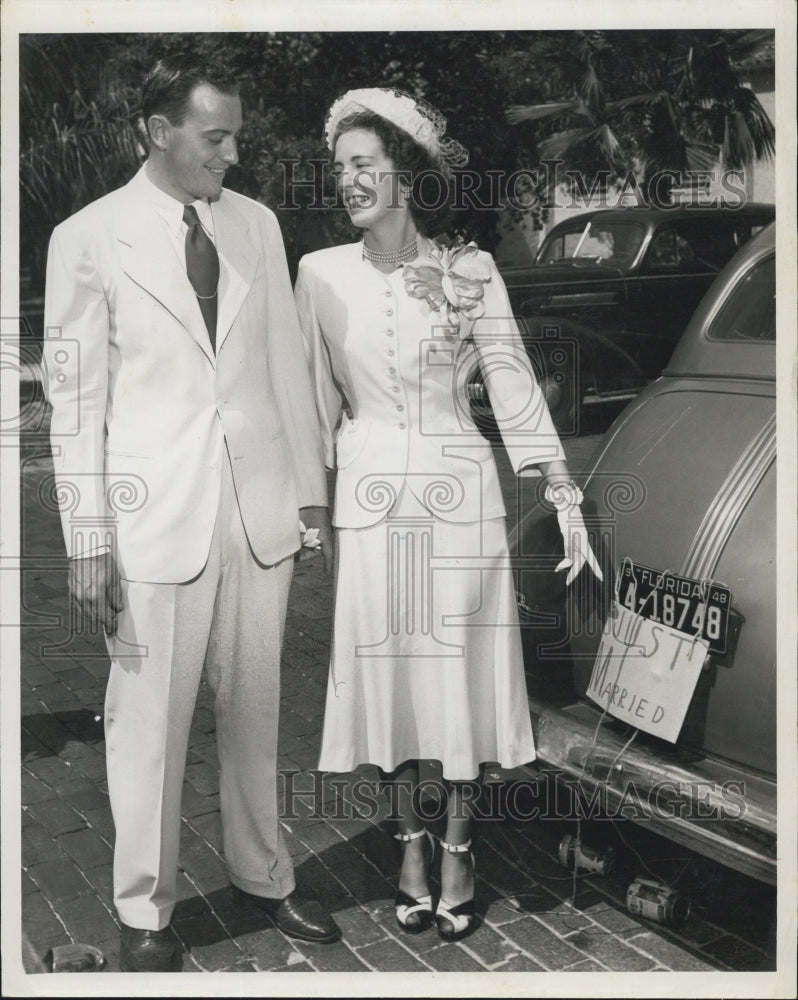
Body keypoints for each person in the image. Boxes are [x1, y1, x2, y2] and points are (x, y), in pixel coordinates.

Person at [43, 54, 340, 972]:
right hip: (148, 521)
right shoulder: (87, 237)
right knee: (147, 720)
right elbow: (75, 405)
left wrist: (309, 496)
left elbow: (287, 366)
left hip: (256, 513)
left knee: (256, 708)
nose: (233, 154)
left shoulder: (256, 225)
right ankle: (144, 910)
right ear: (156, 132)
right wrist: (89, 541)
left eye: (237, 136)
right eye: (217, 137)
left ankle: (265, 877)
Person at [294, 88, 602, 942]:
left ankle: (462, 845)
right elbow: (313, 404)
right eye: (340, 167)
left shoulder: (470, 271)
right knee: (391, 679)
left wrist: (561, 491)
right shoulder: (318, 274)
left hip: (459, 490)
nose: (348, 180)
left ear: (407, 172)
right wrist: (310, 510)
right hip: (367, 496)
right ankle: (410, 845)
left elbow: (507, 379)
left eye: (365, 163)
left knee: (458, 677)